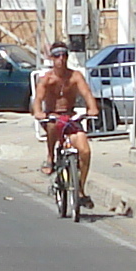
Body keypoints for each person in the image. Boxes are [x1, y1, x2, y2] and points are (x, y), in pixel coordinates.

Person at [31, 41, 97, 209]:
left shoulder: (75, 77)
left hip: (71, 117)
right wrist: (39, 112)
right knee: (53, 125)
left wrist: (93, 108)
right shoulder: (46, 79)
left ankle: (80, 188)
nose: (61, 59)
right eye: (57, 56)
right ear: (51, 58)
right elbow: (37, 100)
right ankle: (50, 157)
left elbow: (87, 93)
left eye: (64, 55)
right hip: (53, 117)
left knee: (85, 150)